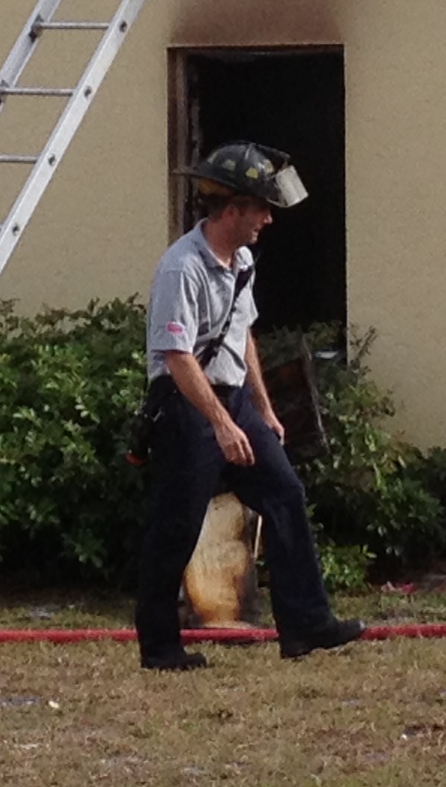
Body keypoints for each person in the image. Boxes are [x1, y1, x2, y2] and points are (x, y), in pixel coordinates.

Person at [131, 142, 366, 671]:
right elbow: (177, 357)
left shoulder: (240, 262)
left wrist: (261, 409)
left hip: (231, 398)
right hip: (186, 405)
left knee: (284, 493)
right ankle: (160, 647)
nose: (267, 219)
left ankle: (307, 624)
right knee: (177, 523)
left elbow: (243, 335)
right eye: (260, 208)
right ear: (232, 209)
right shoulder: (181, 269)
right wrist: (219, 423)